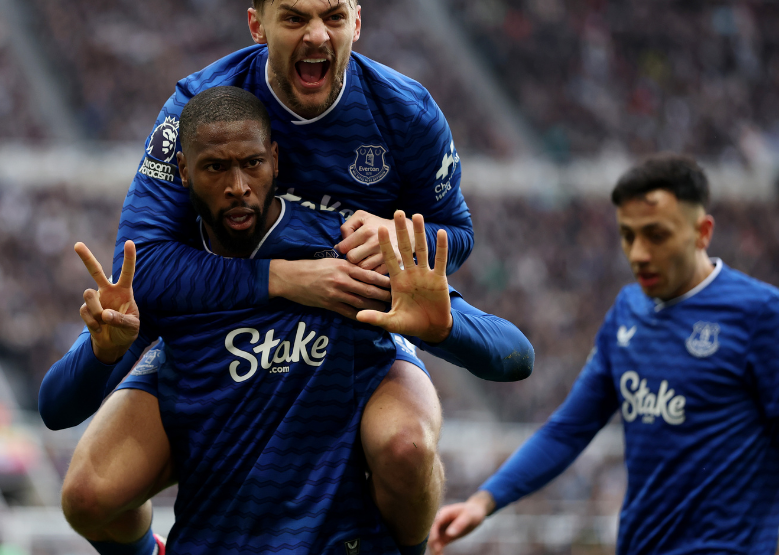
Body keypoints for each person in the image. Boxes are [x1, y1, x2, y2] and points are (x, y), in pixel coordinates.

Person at [60, 87, 534, 555]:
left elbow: (516, 355)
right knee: (86, 494)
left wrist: (447, 329)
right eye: (215, 167)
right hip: (213, 513)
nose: (238, 186)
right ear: (183, 171)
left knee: (406, 446)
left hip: (331, 519)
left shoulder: (343, 245)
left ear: (275, 160)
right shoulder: (169, 273)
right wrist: (103, 353)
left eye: (251, 163)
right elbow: (56, 407)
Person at [428, 155, 779, 555]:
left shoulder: (760, 315)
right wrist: (484, 501)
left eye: (656, 235)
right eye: (628, 236)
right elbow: (569, 430)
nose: (639, 253)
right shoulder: (628, 312)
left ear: (702, 232)